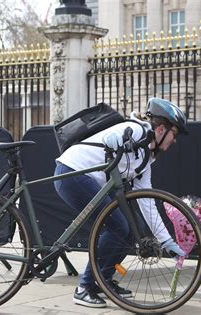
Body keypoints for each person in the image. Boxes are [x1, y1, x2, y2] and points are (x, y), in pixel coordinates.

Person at [54, 97, 188, 308]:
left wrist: (165, 240)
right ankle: (84, 288)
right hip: (72, 172)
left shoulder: (146, 157)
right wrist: (118, 141)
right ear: (161, 130)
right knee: (118, 226)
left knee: (130, 229)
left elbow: (147, 201)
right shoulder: (134, 130)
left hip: (88, 179)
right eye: (175, 133)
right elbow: (111, 137)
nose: (175, 140)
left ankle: (102, 281)